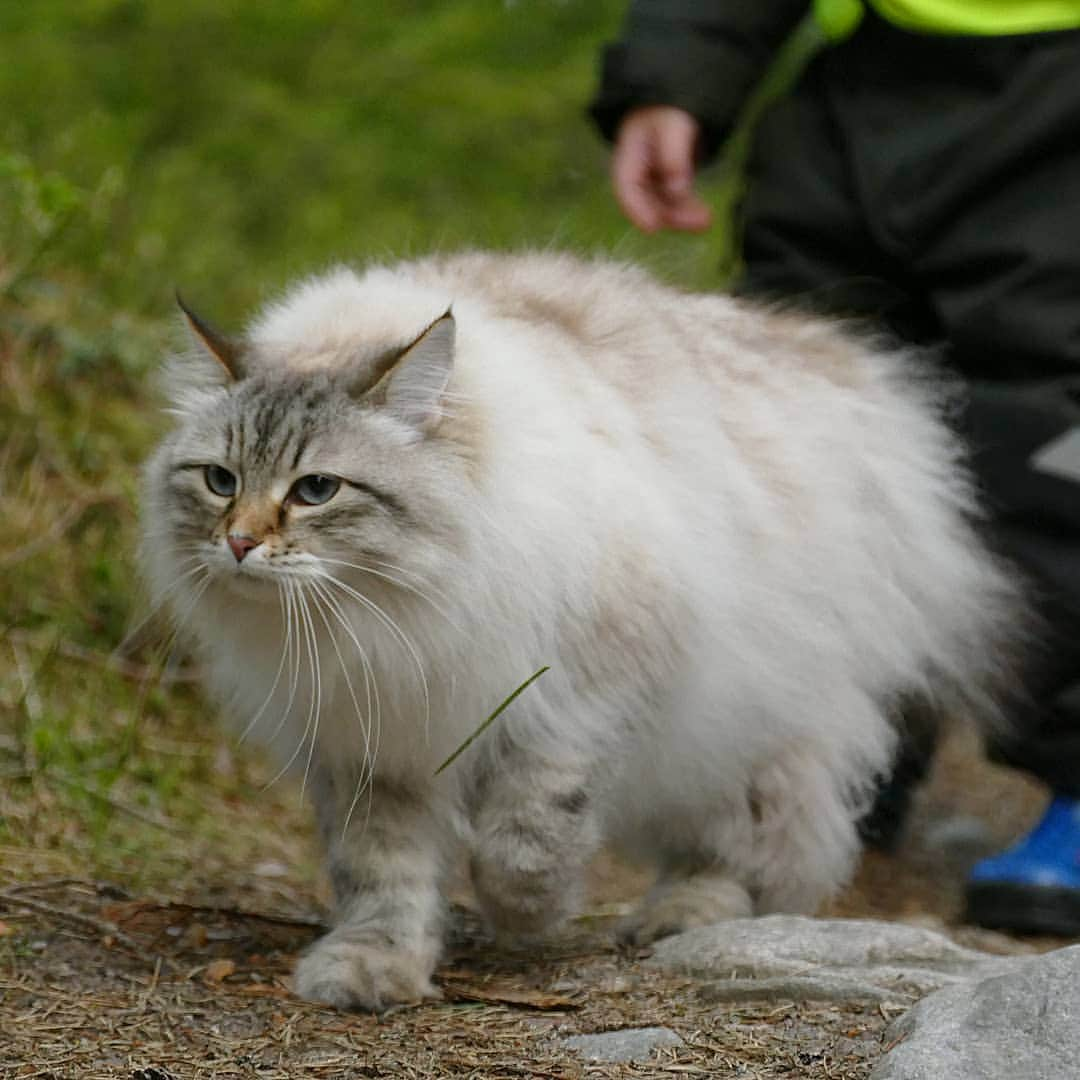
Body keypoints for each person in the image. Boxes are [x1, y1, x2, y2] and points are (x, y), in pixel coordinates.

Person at [589, 0, 1080, 937]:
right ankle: (831, 758)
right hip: (856, 111)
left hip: (1064, 100)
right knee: (794, 431)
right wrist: (675, 78)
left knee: (1052, 449)